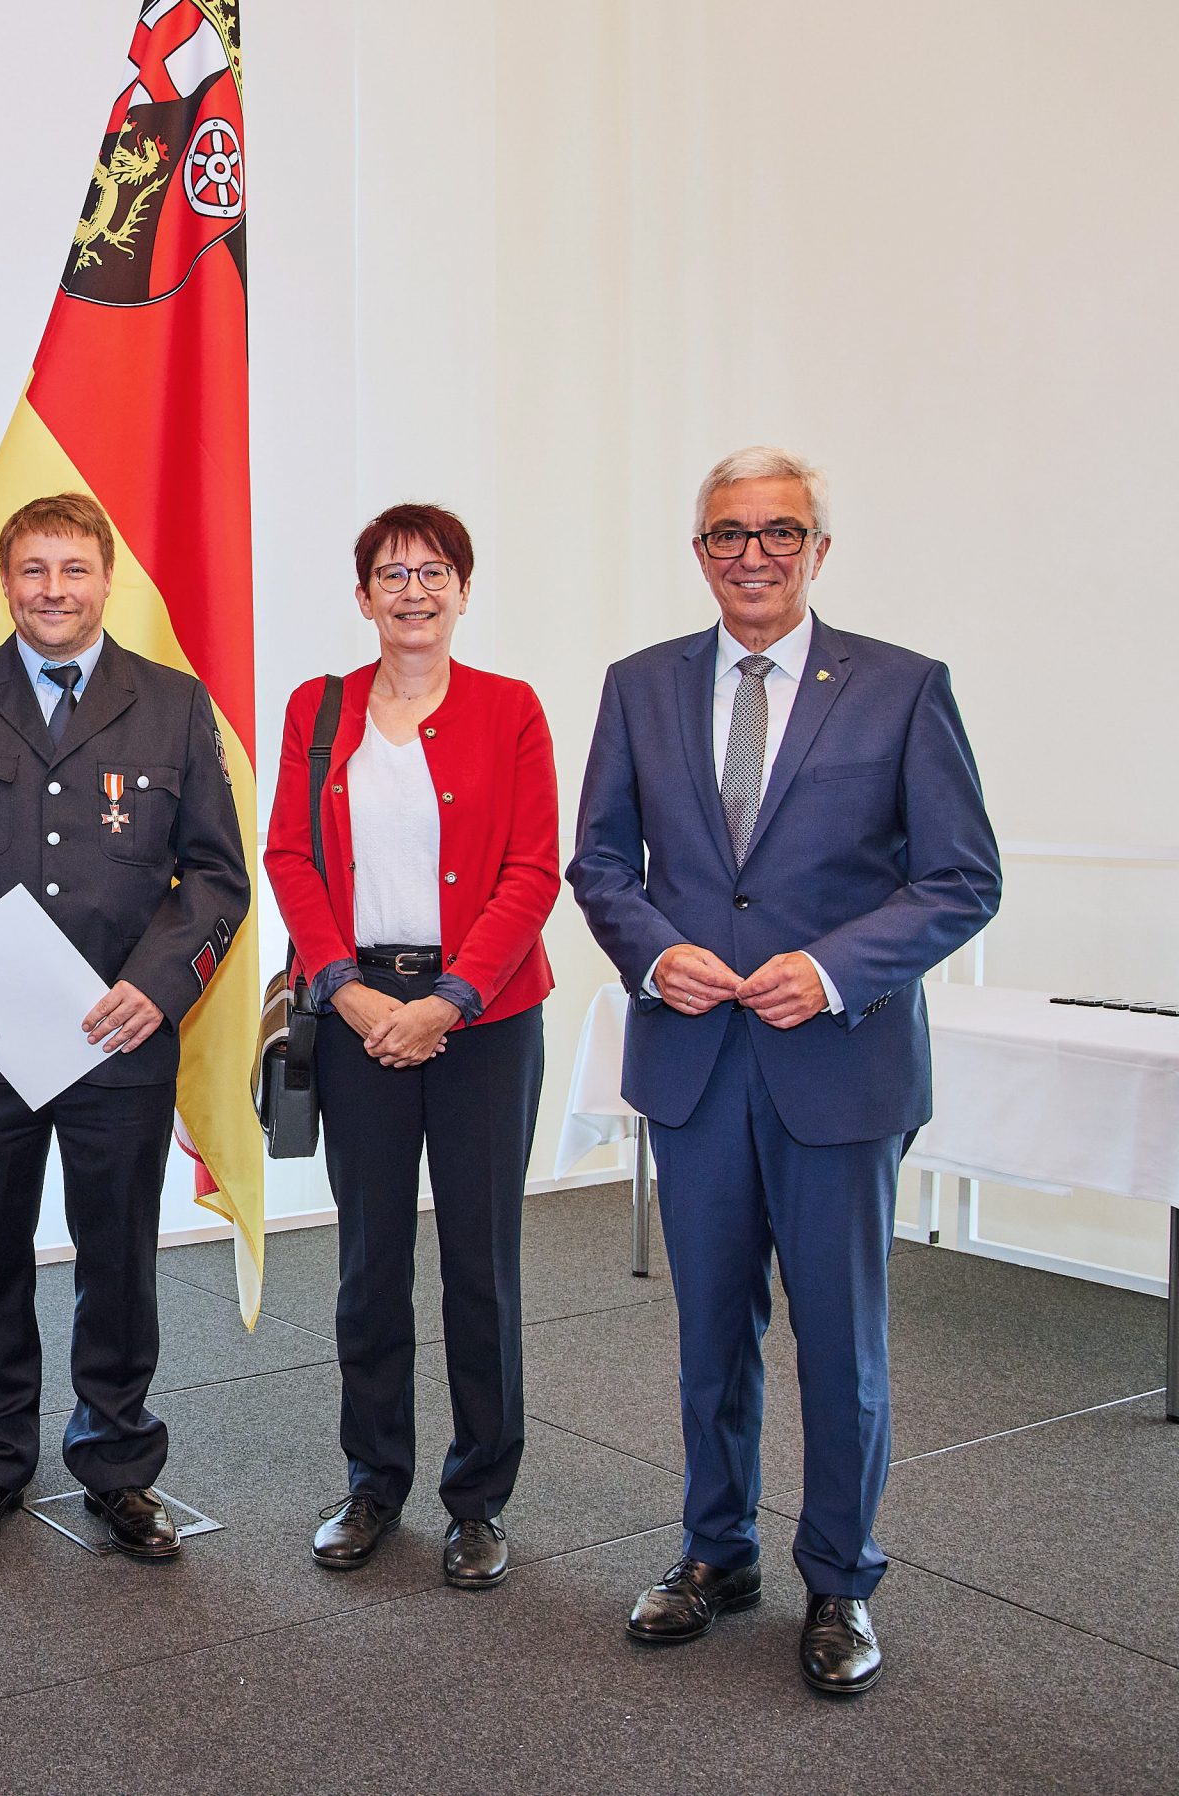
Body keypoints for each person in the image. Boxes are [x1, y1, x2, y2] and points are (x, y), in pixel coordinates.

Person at [567, 446, 1000, 1696]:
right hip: (696, 1061)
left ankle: (840, 1578)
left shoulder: (903, 688)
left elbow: (960, 878)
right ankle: (716, 1551)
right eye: (727, 533)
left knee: (840, 1340)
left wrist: (831, 968)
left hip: (839, 1065)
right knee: (712, 1329)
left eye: (778, 531)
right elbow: (601, 863)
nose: (752, 553)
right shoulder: (638, 685)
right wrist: (656, 956)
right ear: (698, 550)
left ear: (818, 549)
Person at [0, 491, 248, 1561]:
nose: (53, 589)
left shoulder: (172, 703)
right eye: (33, 569)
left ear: (106, 580)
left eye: (73, 568)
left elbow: (215, 876)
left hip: (116, 1038)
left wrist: (159, 985)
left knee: (117, 1259)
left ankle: (118, 1464)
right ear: (5, 583)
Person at [263, 503, 558, 1590]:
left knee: (481, 1265)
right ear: (362, 596)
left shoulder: (510, 708)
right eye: (392, 574)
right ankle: (373, 1481)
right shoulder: (318, 708)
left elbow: (532, 869)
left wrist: (451, 1000)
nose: (414, 591)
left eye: (435, 572)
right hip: (355, 1014)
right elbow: (289, 857)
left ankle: (477, 1500)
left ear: (464, 591)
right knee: (370, 1263)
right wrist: (342, 987)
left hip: (485, 1019)